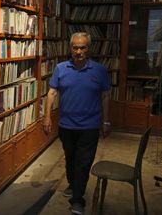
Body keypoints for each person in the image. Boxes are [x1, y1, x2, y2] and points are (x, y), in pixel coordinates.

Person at [43, 32, 111, 215]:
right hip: (66, 125)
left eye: (83, 47)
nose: (79, 51)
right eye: (75, 47)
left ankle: (78, 200)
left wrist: (106, 121)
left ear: (88, 49)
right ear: (70, 48)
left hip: (89, 126)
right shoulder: (61, 68)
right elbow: (51, 93)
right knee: (71, 159)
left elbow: (105, 96)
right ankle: (74, 185)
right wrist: (47, 117)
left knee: (83, 163)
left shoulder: (99, 70)